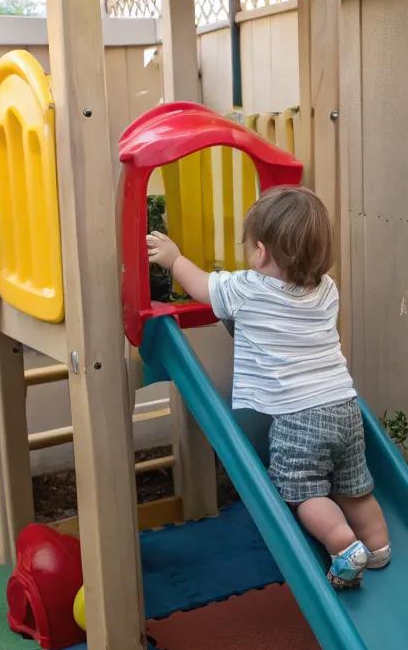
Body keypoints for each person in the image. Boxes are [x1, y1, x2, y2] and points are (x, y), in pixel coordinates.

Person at [147, 185, 390, 590]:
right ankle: (379, 547)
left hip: (300, 418)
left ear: (260, 252)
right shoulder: (327, 289)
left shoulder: (247, 288)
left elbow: (203, 287)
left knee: (303, 493)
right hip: (345, 406)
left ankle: (343, 545)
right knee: (354, 487)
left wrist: (174, 260)